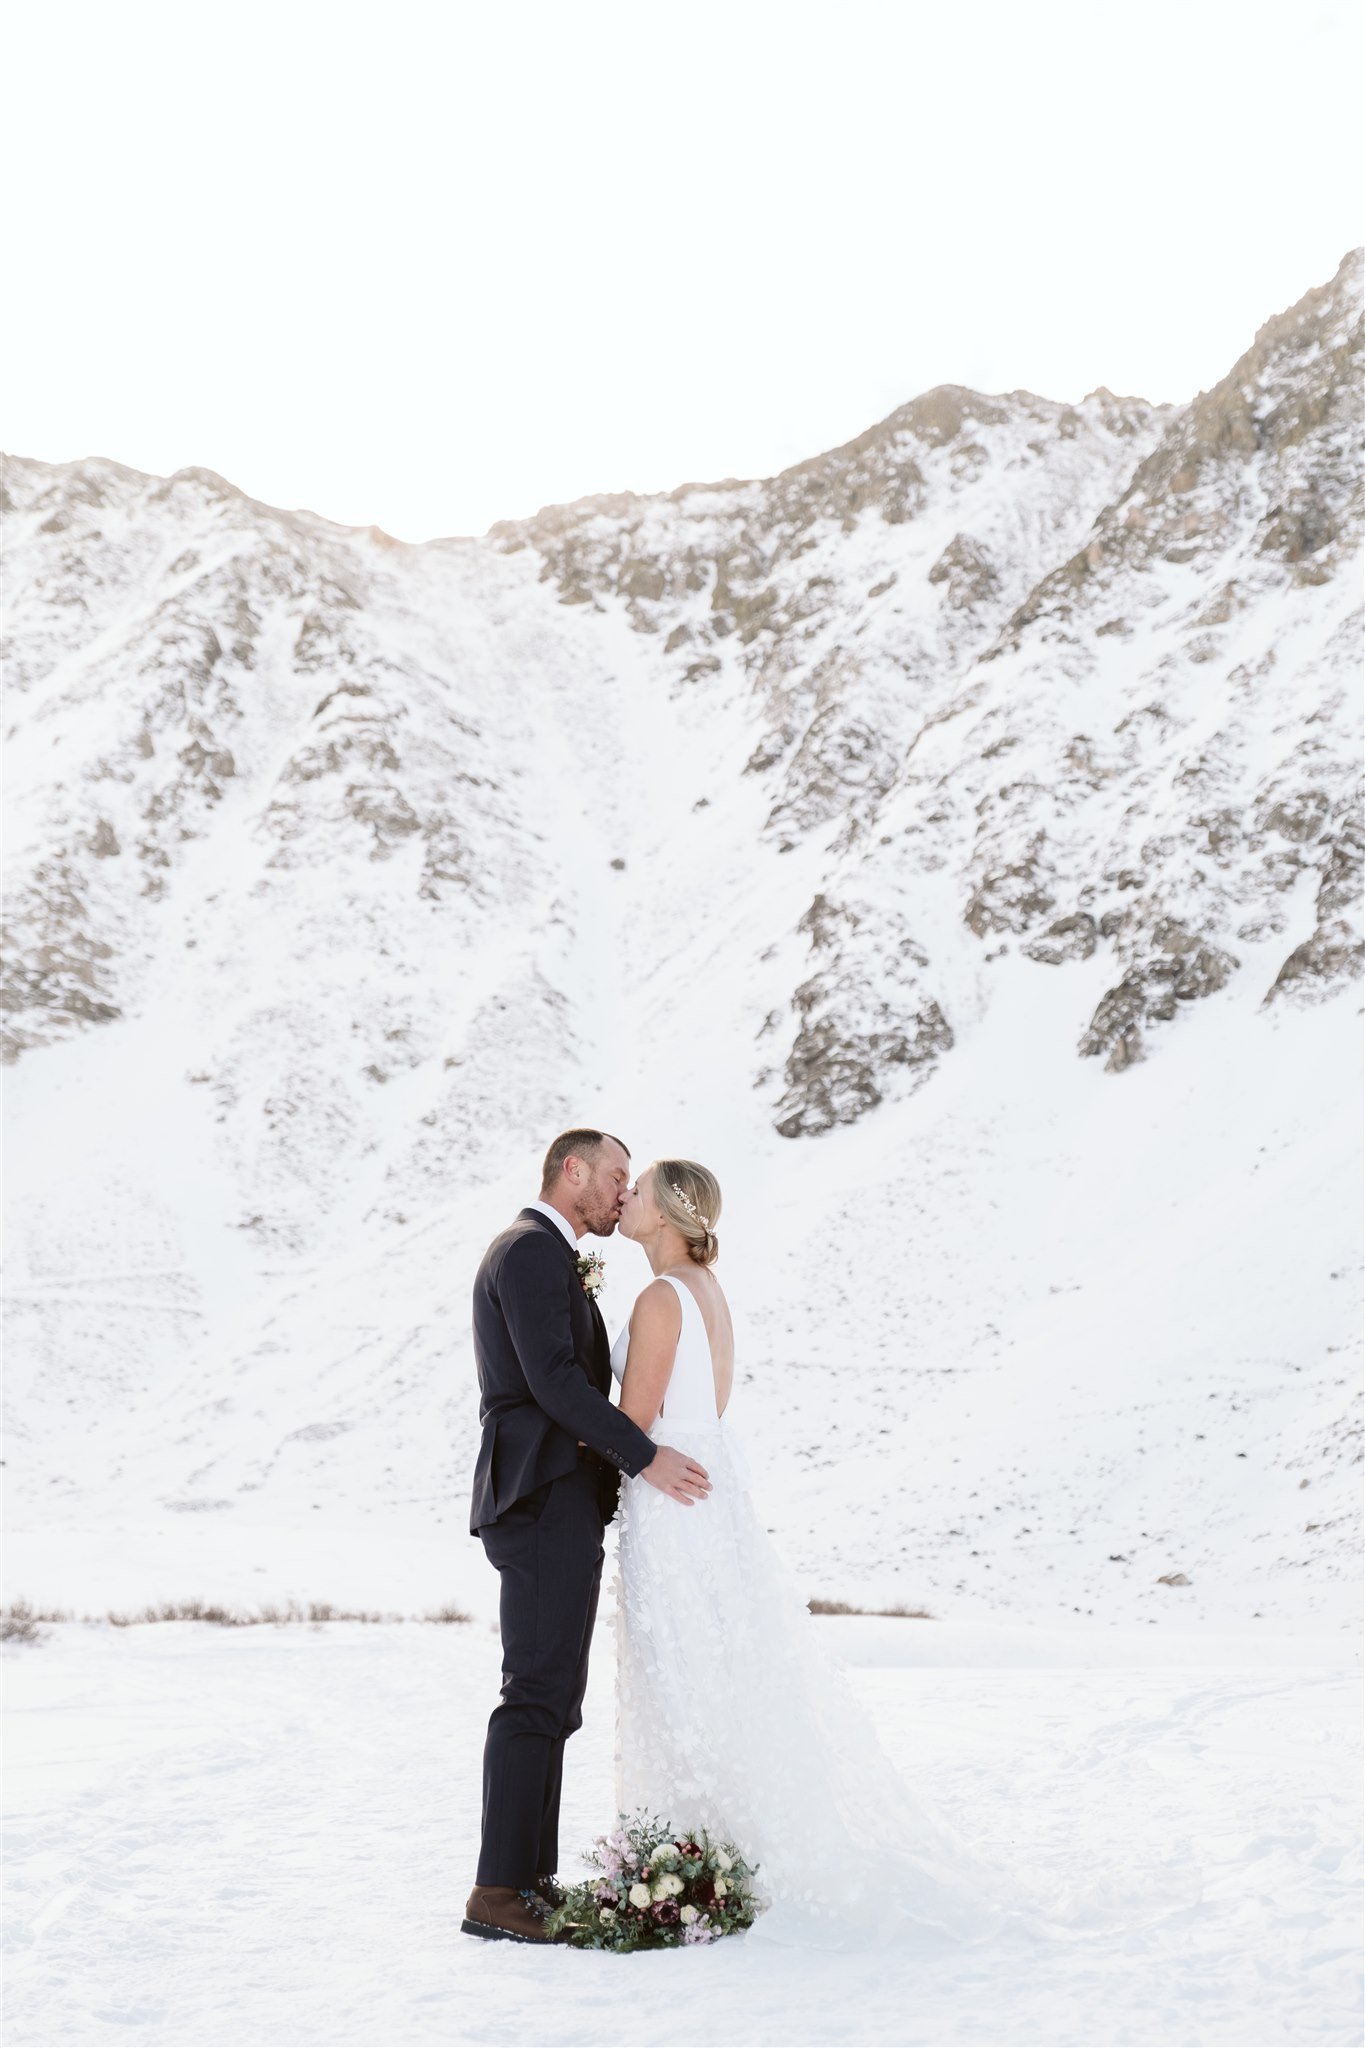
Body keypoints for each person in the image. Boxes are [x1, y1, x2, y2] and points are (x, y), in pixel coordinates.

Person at [610, 1157, 1017, 1950]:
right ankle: (707, 1853)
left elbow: (634, 1420)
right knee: (708, 1667)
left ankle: (698, 1858)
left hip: (671, 1505)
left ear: (664, 1214)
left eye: (638, 1187)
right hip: (705, 1498)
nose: (623, 1197)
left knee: (682, 1669)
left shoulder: (662, 1297)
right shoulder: (706, 1293)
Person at [462, 1128, 713, 1946]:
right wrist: (644, 1457)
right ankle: (498, 1891)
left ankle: (529, 1882)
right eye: (610, 1176)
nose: (618, 1191)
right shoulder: (530, 1250)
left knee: (554, 1699)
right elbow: (554, 1381)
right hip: (537, 1495)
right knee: (533, 1694)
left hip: (555, 1497)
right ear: (570, 1171)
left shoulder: (548, 1253)